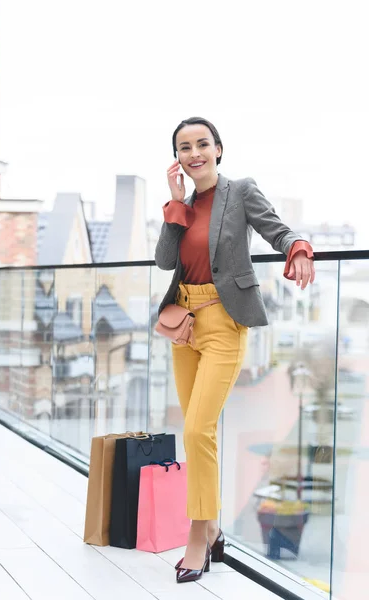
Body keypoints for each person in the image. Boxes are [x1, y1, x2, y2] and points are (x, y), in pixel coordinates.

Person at [155, 117, 315, 584]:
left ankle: (197, 537)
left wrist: (299, 248)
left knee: (198, 428)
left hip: (224, 324)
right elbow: (166, 260)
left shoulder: (240, 191)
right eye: (185, 147)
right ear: (178, 158)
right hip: (183, 325)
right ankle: (215, 528)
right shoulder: (182, 204)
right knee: (196, 432)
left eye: (202, 143)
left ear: (218, 149)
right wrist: (175, 203)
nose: (194, 152)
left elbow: (277, 231)